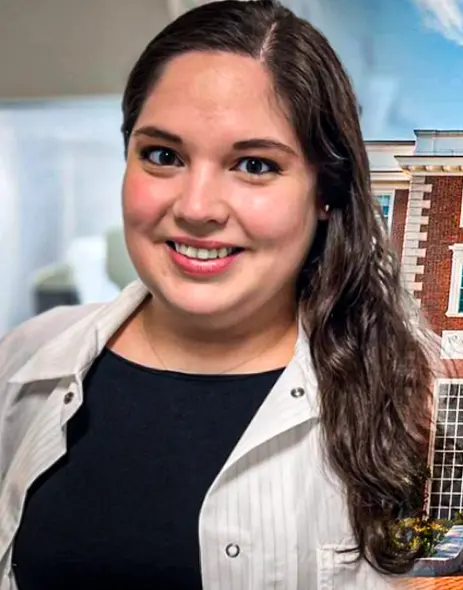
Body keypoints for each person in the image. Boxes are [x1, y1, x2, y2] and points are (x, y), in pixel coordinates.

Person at [0, 1, 436, 588]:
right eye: (162, 156)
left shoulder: (405, 395)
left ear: (326, 192)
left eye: (254, 164)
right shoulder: (23, 363)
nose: (197, 208)